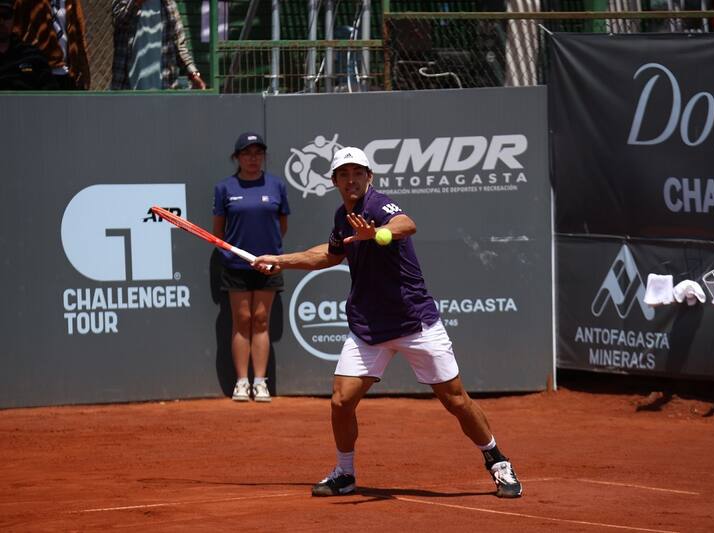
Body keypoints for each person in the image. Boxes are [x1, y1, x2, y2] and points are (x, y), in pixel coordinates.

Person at [252, 147, 522, 498]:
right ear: (334, 181)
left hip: (414, 324)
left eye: (358, 173)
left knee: (456, 401)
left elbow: (406, 224)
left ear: (369, 177)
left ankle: (497, 461)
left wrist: (378, 234)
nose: (352, 180)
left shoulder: (378, 205)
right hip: (369, 329)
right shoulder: (342, 216)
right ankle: (345, 474)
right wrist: (280, 260)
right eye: (344, 175)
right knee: (341, 401)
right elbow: (329, 254)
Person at [213, 133, 290, 402]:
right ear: (237, 158)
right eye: (247, 153)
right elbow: (218, 231)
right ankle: (242, 383)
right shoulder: (224, 188)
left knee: (260, 320)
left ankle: (260, 382)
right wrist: (236, 255)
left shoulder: (276, 186)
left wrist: (269, 256)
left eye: (258, 153)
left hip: (269, 264)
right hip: (236, 265)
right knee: (242, 320)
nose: (253, 158)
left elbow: (281, 226)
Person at [111, 0, 206, 90]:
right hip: (129, 90)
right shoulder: (124, 2)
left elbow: (180, 46)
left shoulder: (169, 6)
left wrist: (194, 75)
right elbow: (119, 20)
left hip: (164, 90)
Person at [13, 0, 90, 89]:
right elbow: (17, 32)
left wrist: (83, 70)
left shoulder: (71, 2)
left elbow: (79, 35)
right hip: (39, 73)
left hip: (68, 73)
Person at [0, 0, 57, 90]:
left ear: (13, 18)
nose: (1, 21)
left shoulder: (33, 55)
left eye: (6, 15)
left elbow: (51, 94)